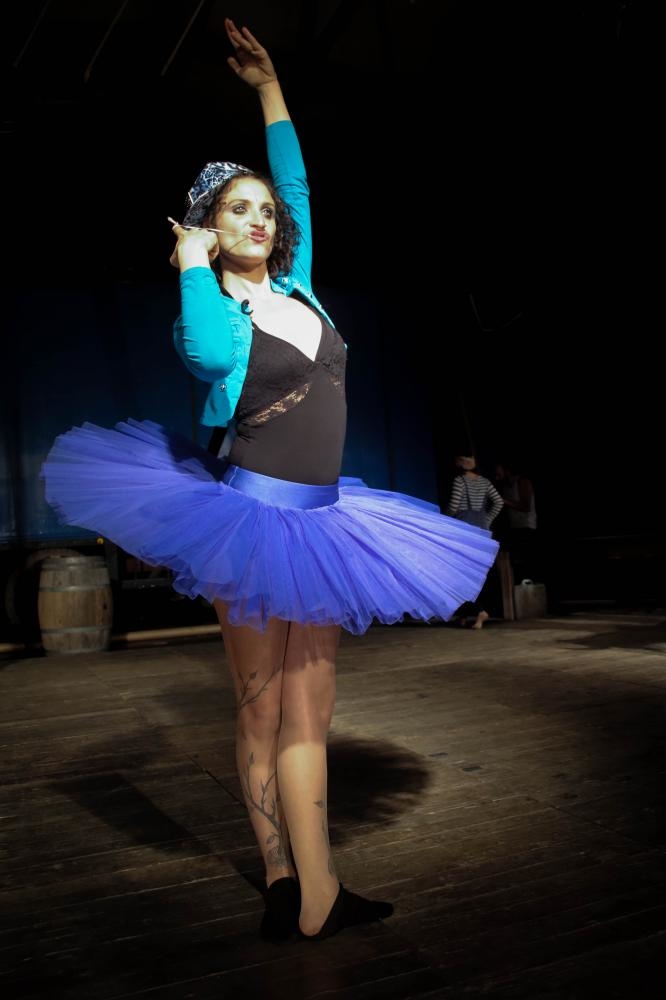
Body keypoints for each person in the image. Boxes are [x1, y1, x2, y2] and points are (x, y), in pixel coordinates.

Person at [40, 19, 499, 941]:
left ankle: (314, 887)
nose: (258, 219)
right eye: (236, 211)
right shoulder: (213, 310)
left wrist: (269, 91)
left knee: (310, 709)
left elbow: (297, 190)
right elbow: (211, 360)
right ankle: (285, 874)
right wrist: (189, 266)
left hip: (326, 519)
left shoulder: (300, 288)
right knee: (259, 706)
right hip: (251, 519)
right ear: (210, 229)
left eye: (262, 211)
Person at [446, 454, 504, 628]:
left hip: (465, 529)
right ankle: (466, 613)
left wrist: (446, 520)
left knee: (463, 572)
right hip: (482, 530)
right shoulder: (485, 482)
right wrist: (487, 520)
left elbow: (454, 505)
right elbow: (499, 502)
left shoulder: (460, 481)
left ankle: (478, 611)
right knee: (479, 572)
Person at [494, 458, 539, 583]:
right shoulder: (506, 486)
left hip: (526, 527)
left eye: (498, 471)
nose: (496, 475)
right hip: (515, 527)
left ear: (506, 470)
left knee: (526, 563)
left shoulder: (522, 481)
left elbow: (526, 506)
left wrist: (503, 500)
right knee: (516, 562)